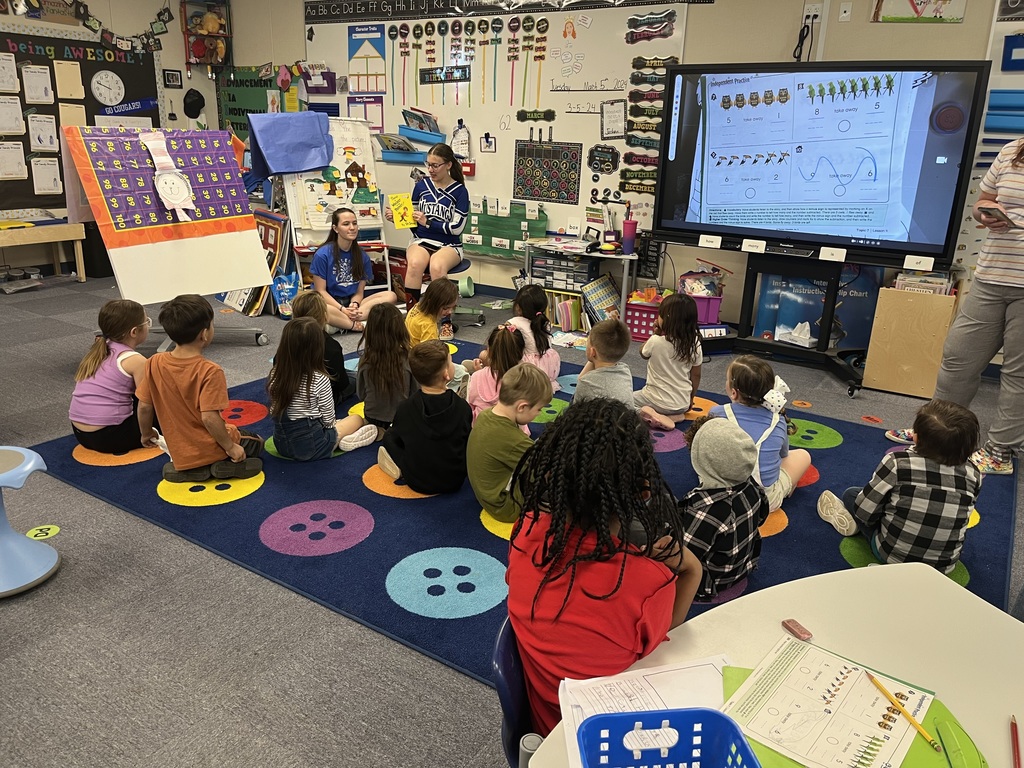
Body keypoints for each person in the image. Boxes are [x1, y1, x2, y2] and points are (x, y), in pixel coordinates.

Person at [506, 398, 703, 736]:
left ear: (552, 474)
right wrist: (692, 569)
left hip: (547, 735)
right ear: (644, 492)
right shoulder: (646, 580)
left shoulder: (526, 534)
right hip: (614, 744)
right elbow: (661, 643)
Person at [886, 141, 1024, 475]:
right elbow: (983, 203)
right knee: (958, 357)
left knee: (1018, 374)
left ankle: (999, 450)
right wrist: (986, 215)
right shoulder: (1012, 151)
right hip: (992, 274)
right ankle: (937, 433)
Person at [818, 399, 983, 574]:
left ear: (916, 436)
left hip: (892, 556)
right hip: (943, 567)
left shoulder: (897, 463)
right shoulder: (974, 473)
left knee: (852, 495)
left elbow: (864, 512)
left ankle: (856, 527)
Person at [137, 294, 263, 482]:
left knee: (194, 453)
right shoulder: (210, 371)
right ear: (204, 334)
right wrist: (230, 447)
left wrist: (147, 433)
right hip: (213, 446)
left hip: (179, 451)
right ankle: (224, 463)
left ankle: (192, 469)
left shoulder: (153, 362)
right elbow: (209, 418)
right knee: (257, 442)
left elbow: (144, 406)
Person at [679, 415, 769, 601]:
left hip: (710, 580)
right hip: (742, 565)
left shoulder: (706, 509)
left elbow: (682, 556)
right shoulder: (751, 485)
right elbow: (762, 516)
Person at [709, 355, 811, 512]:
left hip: (719, 495)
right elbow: (783, 455)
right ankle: (786, 488)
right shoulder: (778, 421)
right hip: (764, 502)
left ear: (734, 392)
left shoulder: (716, 412)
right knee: (803, 455)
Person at [267, 317, 377, 461]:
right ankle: (342, 441)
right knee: (356, 419)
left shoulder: (276, 373)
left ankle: (341, 439)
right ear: (317, 348)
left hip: (281, 443)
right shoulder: (319, 378)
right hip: (312, 446)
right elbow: (328, 421)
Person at [377, 339, 473, 494]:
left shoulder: (405, 407)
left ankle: (399, 466)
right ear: (447, 374)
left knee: (389, 436)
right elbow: (466, 442)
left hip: (416, 480)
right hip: (454, 480)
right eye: (451, 362)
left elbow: (398, 438)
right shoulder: (462, 407)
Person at [385, 143, 469, 308]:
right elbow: (412, 220)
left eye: (436, 165)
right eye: (428, 164)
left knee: (437, 266)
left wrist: (428, 223)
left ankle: (444, 318)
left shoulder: (460, 191)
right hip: (421, 240)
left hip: (450, 244)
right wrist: (398, 218)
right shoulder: (421, 186)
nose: (431, 169)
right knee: (415, 264)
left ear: (448, 165)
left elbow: (457, 228)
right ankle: (412, 314)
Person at [467, 364, 552, 523]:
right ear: (522, 407)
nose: (539, 414)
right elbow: (544, 466)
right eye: (539, 409)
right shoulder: (512, 440)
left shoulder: (486, 415)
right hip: (506, 506)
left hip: (487, 493)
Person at [69, 299, 155, 454]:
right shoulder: (136, 361)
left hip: (81, 434)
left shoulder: (98, 350)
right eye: (146, 322)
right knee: (162, 404)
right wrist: (147, 434)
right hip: (111, 438)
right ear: (134, 332)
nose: (148, 326)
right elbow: (146, 404)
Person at [575, 318, 675, 430]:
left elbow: (575, 412)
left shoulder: (586, 383)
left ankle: (640, 412)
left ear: (592, 351)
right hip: (627, 422)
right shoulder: (625, 370)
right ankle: (640, 412)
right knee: (625, 406)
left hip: (603, 431)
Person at [309, 207, 397, 333]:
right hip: (330, 303)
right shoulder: (322, 255)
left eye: (354, 223)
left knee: (391, 296)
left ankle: (342, 323)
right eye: (346, 224)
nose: (352, 227)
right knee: (320, 310)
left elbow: (359, 291)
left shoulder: (362, 256)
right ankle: (352, 324)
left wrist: (354, 305)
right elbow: (321, 291)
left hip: (351, 302)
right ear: (335, 228)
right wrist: (341, 309)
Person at [633, 293, 703, 424]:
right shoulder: (695, 343)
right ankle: (675, 416)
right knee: (672, 406)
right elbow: (696, 375)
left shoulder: (655, 341)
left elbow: (643, 353)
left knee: (623, 400)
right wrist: (690, 399)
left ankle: (653, 416)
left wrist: (656, 333)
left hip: (655, 400)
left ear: (667, 319)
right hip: (681, 404)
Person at [405, 276, 482, 392]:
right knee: (460, 375)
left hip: (410, 356)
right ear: (433, 303)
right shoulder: (428, 325)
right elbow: (431, 359)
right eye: (446, 308)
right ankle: (464, 381)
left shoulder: (416, 308)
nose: (449, 312)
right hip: (421, 368)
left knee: (456, 368)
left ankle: (463, 368)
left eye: (452, 308)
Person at [356, 303, 418, 437]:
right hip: (401, 419)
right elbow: (415, 393)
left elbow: (361, 394)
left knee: (355, 420)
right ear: (400, 329)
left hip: (372, 417)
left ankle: (374, 431)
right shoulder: (409, 358)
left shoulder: (365, 359)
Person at [290, 290, 355, 411]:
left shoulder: (288, 339)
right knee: (358, 377)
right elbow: (342, 384)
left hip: (292, 394)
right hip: (321, 400)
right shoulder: (331, 347)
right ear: (325, 316)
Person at [467, 323, 526, 425]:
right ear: (521, 353)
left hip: (481, 431)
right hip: (511, 433)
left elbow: (470, 406)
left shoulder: (477, 377)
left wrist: (479, 373)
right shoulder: (524, 379)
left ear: (488, 351)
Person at [506, 284, 561, 392]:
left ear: (518, 307)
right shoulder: (544, 321)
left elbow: (503, 344)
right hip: (549, 367)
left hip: (528, 370)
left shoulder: (514, 322)